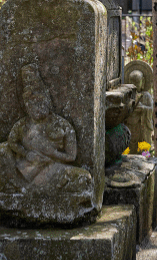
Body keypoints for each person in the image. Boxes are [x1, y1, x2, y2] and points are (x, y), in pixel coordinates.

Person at [0, 63, 92, 194]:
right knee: (2, 151)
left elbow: (71, 156)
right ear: (25, 106)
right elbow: (12, 141)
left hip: (52, 166)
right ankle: (18, 186)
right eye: (30, 104)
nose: (35, 108)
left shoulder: (62, 125)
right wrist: (26, 153)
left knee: (83, 178)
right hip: (27, 166)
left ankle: (32, 190)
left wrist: (52, 153)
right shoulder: (23, 124)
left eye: (39, 102)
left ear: (47, 100)